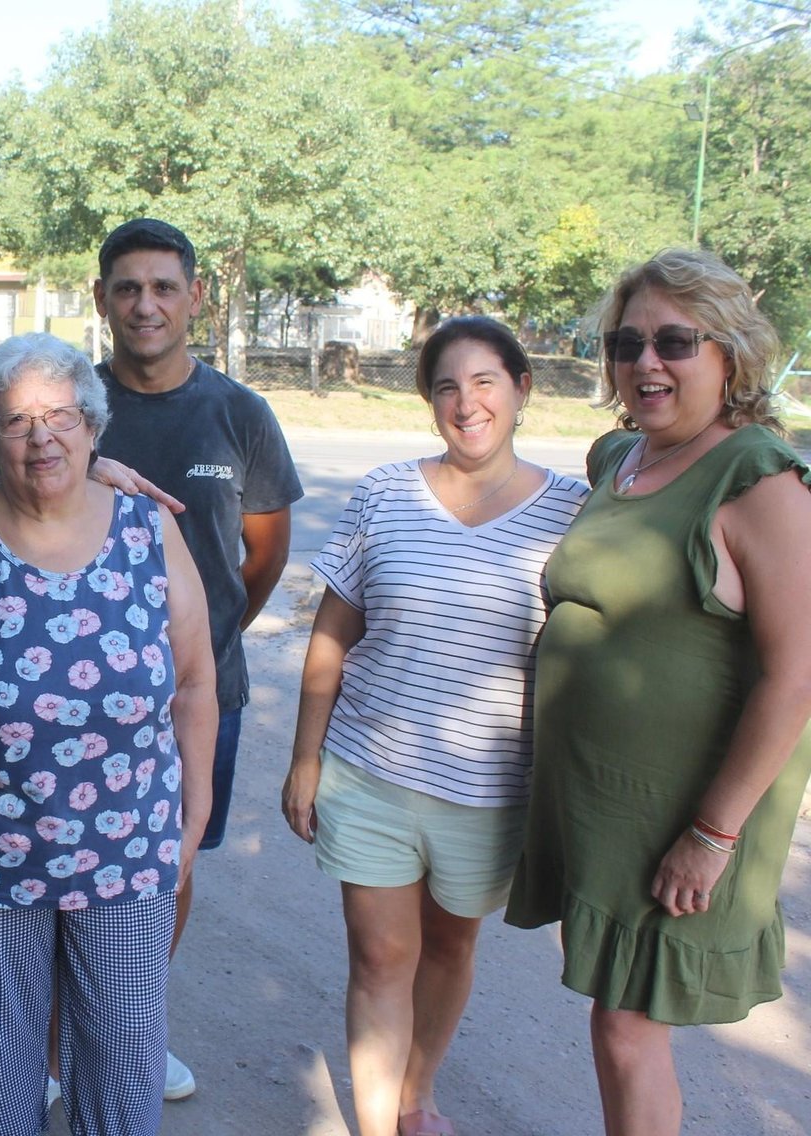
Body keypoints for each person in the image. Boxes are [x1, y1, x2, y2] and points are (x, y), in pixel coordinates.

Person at [506, 249, 811, 1136]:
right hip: (598, 805)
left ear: (731, 355)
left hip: (679, 816)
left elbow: (795, 678)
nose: (646, 362)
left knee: (627, 1026)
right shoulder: (622, 459)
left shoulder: (758, 478)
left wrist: (711, 836)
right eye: (626, 342)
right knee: (617, 1016)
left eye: (676, 341)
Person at [282, 316, 587, 1136]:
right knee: (381, 957)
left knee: (451, 948)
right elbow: (331, 636)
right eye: (447, 386)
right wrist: (305, 757)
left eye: (485, 380)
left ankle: (416, 1092)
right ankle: (379, 1124)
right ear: (429, 402)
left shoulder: (574, 513)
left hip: (490, 790)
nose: (467, 401)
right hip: (370, 768)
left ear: (522, 390)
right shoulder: (385, 490)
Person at [0, 331, 217, 1136]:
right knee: (1, 1073)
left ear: (94, 427)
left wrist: (191, 820)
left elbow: (195, 680)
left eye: (60, 416)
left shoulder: (146, 528)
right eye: (17, 420)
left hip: (128, 845)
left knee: (126, 1063)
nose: (41, 436)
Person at [88, 217, 303, 1099]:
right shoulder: (67, 402)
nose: (147, 305)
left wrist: (202, 650)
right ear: (102, 299)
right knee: (65, 871)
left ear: (196, 298)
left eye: (164, 287)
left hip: (194, 693)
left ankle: (134, 1029)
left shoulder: (239, 414)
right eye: (128, 288)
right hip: (71, 695)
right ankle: (61, 1053)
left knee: (167, 864)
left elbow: (263, 557)